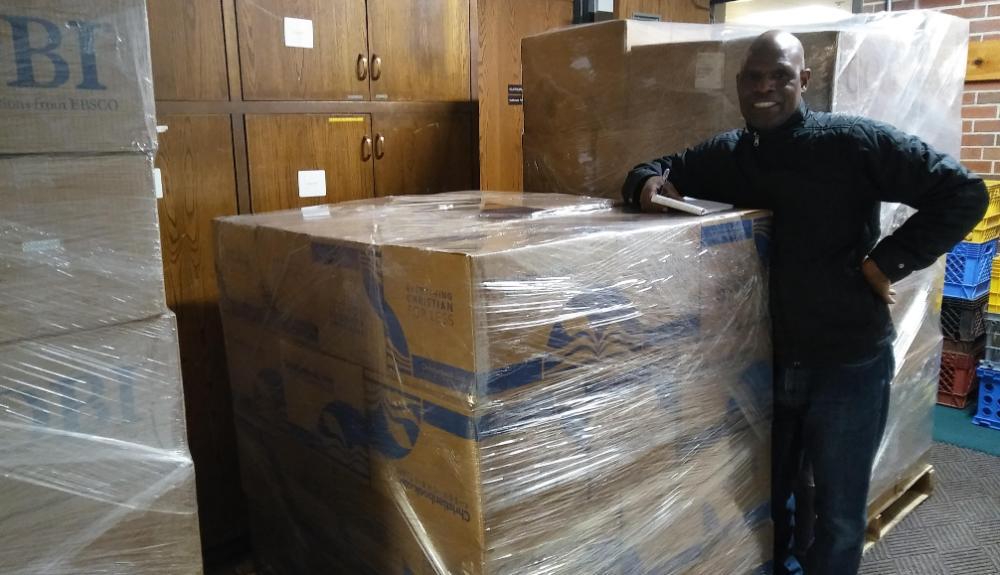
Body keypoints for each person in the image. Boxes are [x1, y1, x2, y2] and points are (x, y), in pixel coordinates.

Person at [621, 30, 987, 575]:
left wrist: (887, 261)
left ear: (804, 81)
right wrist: (645, 185)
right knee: (776, 502)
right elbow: (655, 169)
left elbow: (963, 192)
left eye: (780, 77)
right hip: (767, 362)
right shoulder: (730, 154)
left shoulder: (851, 143)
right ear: (740, 84)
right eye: (754, 78)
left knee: (839, 514)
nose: (765, 88)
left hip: (847, 362)